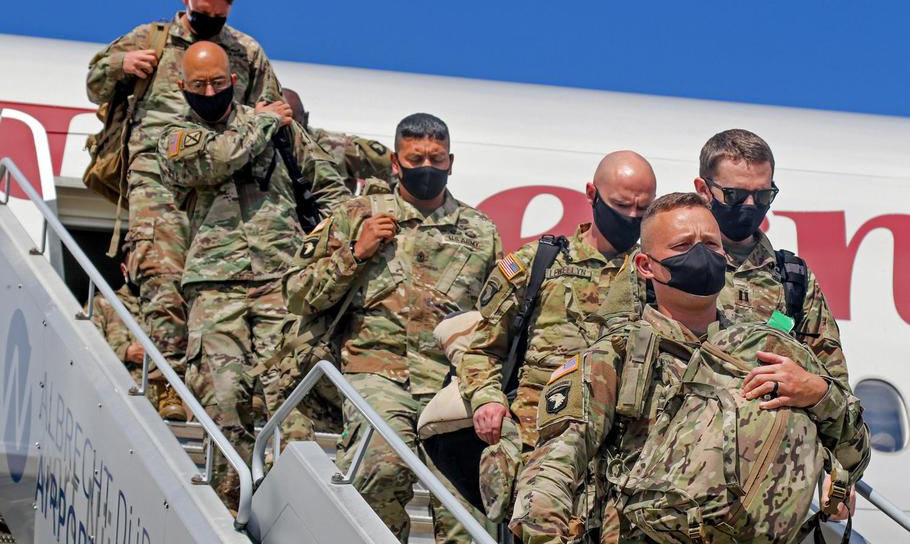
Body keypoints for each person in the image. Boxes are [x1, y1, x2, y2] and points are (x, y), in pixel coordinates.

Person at [509, 193, 871, 543]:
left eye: (712, 246)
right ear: (645, 266)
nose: (701, 256)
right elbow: (550, 468)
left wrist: (821, 395)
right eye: (682, 246)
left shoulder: (766, 351)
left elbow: (854, 455)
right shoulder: (614, 359)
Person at [283, 113, 502, 543]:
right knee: (379, 472)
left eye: (435, 158)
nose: (426, 167)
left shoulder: (481, 232)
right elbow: (297, 291)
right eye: (415, 157)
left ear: (451, 162)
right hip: (376, 374)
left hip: (447, 380)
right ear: (395, 163)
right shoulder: (357, 215)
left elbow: (495, 317)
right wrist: (356, 253)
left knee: (468, 505)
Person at [156, 41, 350, 507]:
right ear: (182, 88)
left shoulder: (286, 133)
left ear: (234, 82)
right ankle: (232, 502)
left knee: (290, 398)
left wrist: (325, 248)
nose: (209, 91)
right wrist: (264, 118)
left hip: (282, 281)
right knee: (222, 397)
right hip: (215, 285)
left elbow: (332, 191)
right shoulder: (176, 137)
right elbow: (219, 158)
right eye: (199, 85)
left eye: (218, 83)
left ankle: (296, 506)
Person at [86, 0, 283, 421]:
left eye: (219, 16)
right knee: (160, 273)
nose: (209, 21)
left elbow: (269, 114)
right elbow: (94, 84)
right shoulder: (149, 38)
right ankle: (167, 383)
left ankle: (211, 385)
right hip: (155, 174)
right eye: (203, 12)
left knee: (209, 282)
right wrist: (121, 64)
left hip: (213, 179)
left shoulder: (246, 53)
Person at [457, 151, 656, 521]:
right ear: (592, 194)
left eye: (642, 209)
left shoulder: (655, 277)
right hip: (539, 444)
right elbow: (482, 350)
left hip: (621, 457)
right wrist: (487, 400)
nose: (631, 217)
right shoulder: (541, 261)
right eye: (621, 204)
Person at [694, 129, 856, 519]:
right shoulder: (663, 265)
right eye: (734, 195)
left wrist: (840, 474)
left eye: (763, 196)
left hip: (764, 497)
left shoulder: (792, 280)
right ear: (703, 189)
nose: (750, 205)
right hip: (676, 485)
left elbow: (836, 389)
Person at [90, 255, 181, 416]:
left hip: (162, 409)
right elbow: (87, 347)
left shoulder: (167, 309)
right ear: (124, 270)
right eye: (140, 268)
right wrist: (125, 352)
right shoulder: (104, 303)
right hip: (119, 401)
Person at [284, 88, 394, 193]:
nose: (284, 134)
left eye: (292, 126)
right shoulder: (267, 150)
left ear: (306, 119)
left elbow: (389, 165)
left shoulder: (335, 146)